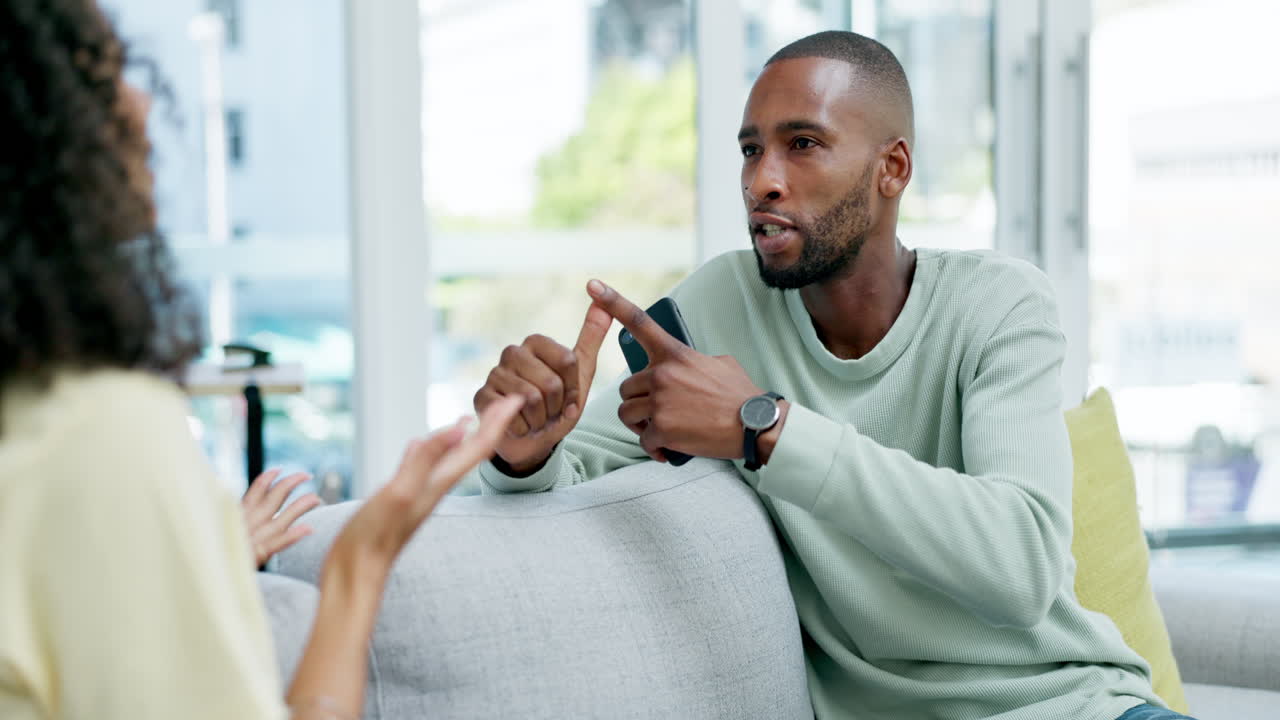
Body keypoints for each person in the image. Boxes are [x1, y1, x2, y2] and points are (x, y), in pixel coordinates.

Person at [471, 31, 1196, 720]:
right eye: (751, 151)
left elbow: (1023, 566)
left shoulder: (1000, 304)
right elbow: (577, 475)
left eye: (803, 145)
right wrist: (523, 448)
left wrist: (767, 428)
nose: (764, 181)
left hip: (1077, 707)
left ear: (893, 169)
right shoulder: (718, 307)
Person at [0, 2, 523, 718]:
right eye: (105, 73)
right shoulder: (99, 432)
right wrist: (360, 565)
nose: (141, 100)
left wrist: (198, 559)